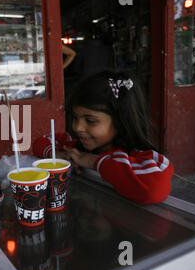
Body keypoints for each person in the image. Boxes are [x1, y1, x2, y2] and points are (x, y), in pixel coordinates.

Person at [63, 70, 173, 205]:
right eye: (75, 118)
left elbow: (154, 190)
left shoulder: (143, 158)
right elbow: (41, 142)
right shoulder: (77, 147)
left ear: (121, 121)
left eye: (90, 120)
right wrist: (61, 156)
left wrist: (93, 162)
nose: (77, 127)